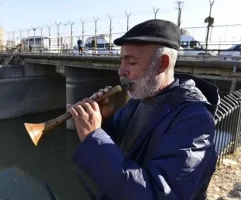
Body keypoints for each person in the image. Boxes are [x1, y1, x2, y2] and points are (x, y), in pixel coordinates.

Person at [67, 19, 220, 200]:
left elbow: (158, 194)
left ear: (163, 63)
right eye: (121, 61)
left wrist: (93, 137)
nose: (121, 71)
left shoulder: (194, 120)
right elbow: (121, 152)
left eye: (131, 62)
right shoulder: (141, 98)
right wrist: (104, 121)